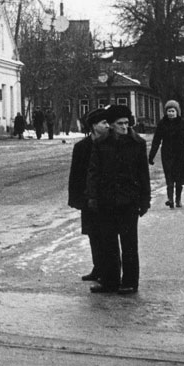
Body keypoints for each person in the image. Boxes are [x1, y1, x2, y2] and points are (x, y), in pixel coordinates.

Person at [85, 104, 151, 294]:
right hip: (106, 200)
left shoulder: (137, 143)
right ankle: (110, 280)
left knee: (129, 244)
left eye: (127, 123)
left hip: (129, 201)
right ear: (112, 125)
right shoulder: (100, 144)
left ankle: (130, 281)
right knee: (108, 243)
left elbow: (143, 174)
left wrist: (145, 200)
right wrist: (92, 197)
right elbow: (93, 172)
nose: (124, 127)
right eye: (120, 123)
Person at [68, 108, 110, 282]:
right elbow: (75, 174)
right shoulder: (82, 147)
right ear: (94, 126)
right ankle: (98, 267)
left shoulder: (111, 144)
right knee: (93, 234)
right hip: (88, 197)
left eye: (108, 123)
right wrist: (75, 198)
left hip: (106, 196)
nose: (107, 126)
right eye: (103, 123)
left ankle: (109, 269)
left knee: (107, 234)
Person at [148, 100, 184, 209]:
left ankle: (178, 199)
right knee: (169, 178)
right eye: (168, 111)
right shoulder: (162, 123)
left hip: (181, 155)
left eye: (173, 111)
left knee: (179, 179)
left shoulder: (182, 123)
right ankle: (170, 200)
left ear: (177, 112)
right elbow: (156, 141)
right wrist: (151, 156)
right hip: (167, 155)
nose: (170, 113)